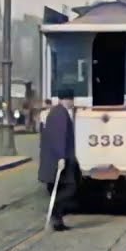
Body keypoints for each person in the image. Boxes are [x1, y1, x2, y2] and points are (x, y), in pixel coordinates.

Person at [40, 89, 79, 231]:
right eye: (72, 100)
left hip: (56, 160)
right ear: (67, 99)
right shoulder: (60, 114)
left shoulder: (56, 112)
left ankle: (58, 220)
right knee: (70, 188)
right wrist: (61, 157)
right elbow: (59, 137)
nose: (73, 103)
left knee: (59, 188)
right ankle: (55, 213)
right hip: (59, 161)